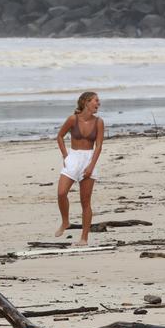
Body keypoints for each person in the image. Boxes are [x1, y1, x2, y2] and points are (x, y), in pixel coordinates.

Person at [54, 92, 105, 246]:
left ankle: (84, 238)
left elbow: (99, 146)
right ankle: (65, 222)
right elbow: (60, 137)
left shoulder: (99, 122)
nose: (99, 104)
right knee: (61, 193)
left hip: (89, 159)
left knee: (85, 202)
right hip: (73, 158)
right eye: (96, 101)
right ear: (86, 102)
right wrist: (65, 156)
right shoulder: (72, 119)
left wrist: (91, 166)